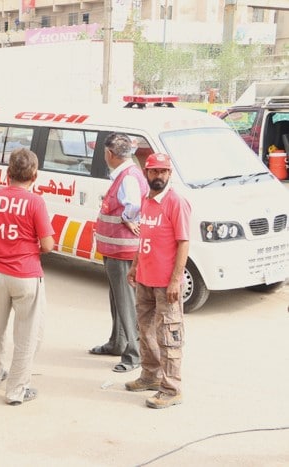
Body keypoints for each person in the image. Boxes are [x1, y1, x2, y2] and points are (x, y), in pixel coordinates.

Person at [0, 148, 55, 406]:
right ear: (35, 175)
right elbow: (48, 244)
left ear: (7, 173)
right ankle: (16, 391)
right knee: (27, 334)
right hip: (25, 274)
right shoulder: (35, 202)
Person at [125, 153, 191, 409]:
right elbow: (145, 238)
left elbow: (183, 242)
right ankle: (150, 375)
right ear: (146, 173)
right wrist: (134, 266)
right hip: (145, 279)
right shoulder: (146, 201)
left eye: (163, 172)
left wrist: (175, 280)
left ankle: (171, 388)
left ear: (169, 174)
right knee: (145, 330)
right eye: (154, 172)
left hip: (166, 284)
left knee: (169, 335)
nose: (159, 176)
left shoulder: (176, 202)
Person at [91, 133, 149, 373]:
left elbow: (133, 205)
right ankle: (118, 342)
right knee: (117, 299)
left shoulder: (128, 177)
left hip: (123, 249)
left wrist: (127, 218)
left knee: (125, 302)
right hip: (115, 248)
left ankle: (134, 354)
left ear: (109, 154)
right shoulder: (127, 174)